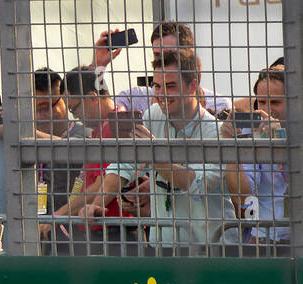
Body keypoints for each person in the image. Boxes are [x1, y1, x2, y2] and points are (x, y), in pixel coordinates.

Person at [82, 50, 237, 253]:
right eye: (157, 85)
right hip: (164, 246)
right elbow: (124, 164)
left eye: (170, 86)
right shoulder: (153, 115)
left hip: (211, 249)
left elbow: (198, 185)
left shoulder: (215, 131)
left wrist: (153, 156)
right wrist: (96, 205)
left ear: (192, 85)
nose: (161, 94)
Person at [54, 68, 144, 254]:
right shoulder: (100, 127)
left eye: (75, 108)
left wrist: (60, 214)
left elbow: (102, 183)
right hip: (105, 227)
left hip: (115, 231)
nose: (75, 115)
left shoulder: (115, 126)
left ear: (92, 97)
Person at [93, 21, 231, 116]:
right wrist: (98, 66)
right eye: (157, 55)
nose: (162, 62)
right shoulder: (135, 98)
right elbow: (98, 113)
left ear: (189, 54)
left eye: (169, 54)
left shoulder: (218, 104)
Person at [223, 65, 289, 255]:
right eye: (261, 102)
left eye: (275, 102)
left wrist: (279, 140)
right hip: (262, 238)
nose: (266, 110)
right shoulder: (251, 131)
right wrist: (230, 147)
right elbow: (242, 197)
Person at [32, 68, 91, 251]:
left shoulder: (85, 134)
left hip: (80, 238)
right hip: (44, 237)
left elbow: (66, 147)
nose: (42, 115)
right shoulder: (31, 137)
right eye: (34, 109)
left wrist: (23, 133)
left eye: (46, 107)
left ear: (64, 99)